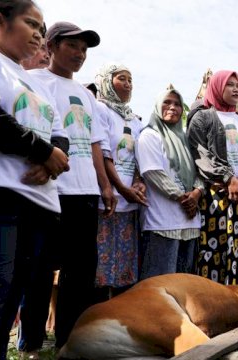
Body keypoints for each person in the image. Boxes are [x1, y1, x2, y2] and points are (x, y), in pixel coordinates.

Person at [18, 21, 115, 356]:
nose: (79, 54)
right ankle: (30, 339)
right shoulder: (33, 81)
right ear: (52, 45)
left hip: (85, 192)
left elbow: (95, 145)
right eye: (73, 46)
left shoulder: (88, 96)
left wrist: (105, 187)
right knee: (39, 268)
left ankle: (67, 339)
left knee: (81, 270)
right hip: (50, 190)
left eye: (84, 50)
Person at [0, 1, 70, 358]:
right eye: (31, 24)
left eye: (42, 27)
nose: (39, 34)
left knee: (10, 300)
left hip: (38, 204)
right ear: (0, 20)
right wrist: (41, 151)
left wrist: (51, 162)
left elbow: (60, 136)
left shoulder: (37, 83)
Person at [187, 70, 238, 284]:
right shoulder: (202, 117)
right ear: (216, 87)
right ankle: (216, 303)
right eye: (229, 84)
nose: (236, 89)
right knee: (216, 251)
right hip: (217, 197)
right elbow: (199, 153)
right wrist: (228, 178)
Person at [93, 63, 147, 304]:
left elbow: (140, 157)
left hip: (130, 204)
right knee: (100, 267)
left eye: (130, 80)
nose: (127, 84)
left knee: (125, 270)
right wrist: (119, 189)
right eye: (121, 78)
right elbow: (104, 153)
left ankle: (120, 321)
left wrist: (136, 183)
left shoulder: (134, 119)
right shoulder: (100, 109)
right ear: (107, 82)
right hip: (108, 200)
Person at [137, 86, 201, 280]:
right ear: (157, 106)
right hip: (162, 223)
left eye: (177, 104)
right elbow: (153, 172)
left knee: (183, 284)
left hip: (189, 224)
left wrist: (197, 193)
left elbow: (200, 170)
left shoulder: (186, 140)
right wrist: (185, 199)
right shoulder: (149, 136)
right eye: (167, 102)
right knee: (158, 285)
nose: (172, 107)